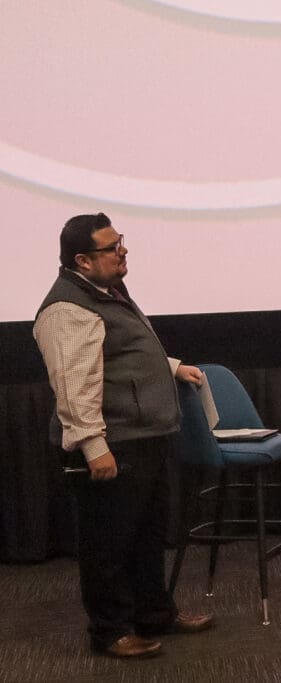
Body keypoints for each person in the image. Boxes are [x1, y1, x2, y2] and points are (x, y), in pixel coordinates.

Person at [33, 213, 214, 659]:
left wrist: (170, 367)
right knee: (107, 544)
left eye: (121, 242)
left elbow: (118, 353)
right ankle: (110, 631)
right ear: (83, 260)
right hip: (113, 443)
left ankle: (154, 614)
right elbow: (73, 385)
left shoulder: (106, 293)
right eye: (111, 248)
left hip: (141, 438)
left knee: (146, 536)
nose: (123, 251)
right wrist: (95, 447)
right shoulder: (68, 308)